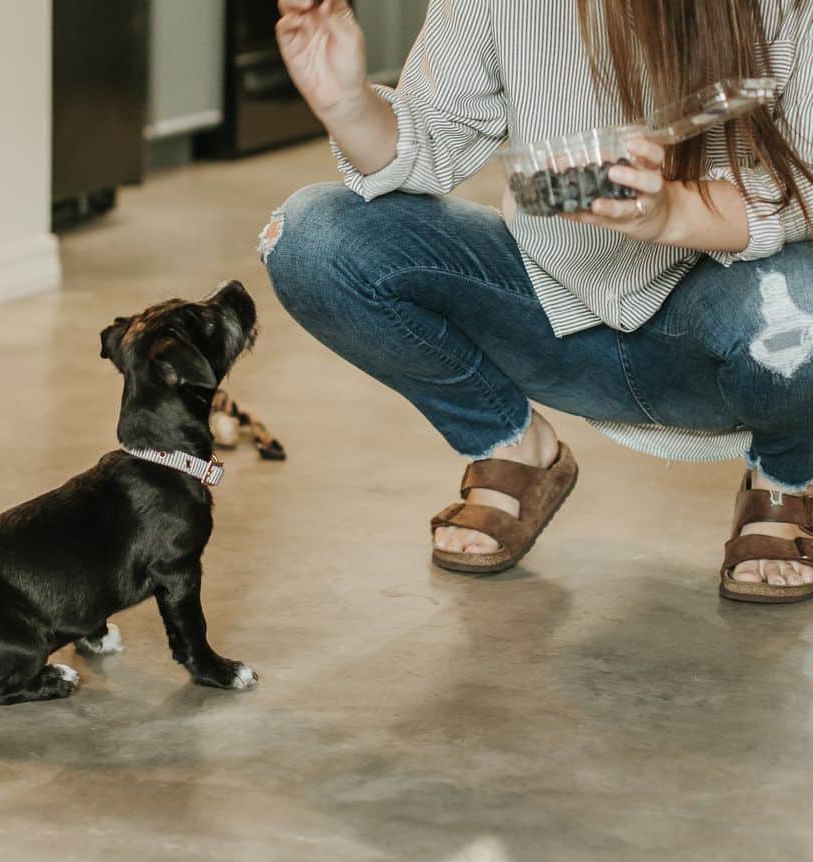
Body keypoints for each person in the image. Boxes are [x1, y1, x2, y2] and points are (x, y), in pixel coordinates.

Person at [266, 0, 813, 602]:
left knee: (804, 295)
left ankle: (785, 477)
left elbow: (805, 184)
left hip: (733, 335)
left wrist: (673, 211)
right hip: (554, 316)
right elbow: (431, 141)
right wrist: (347, 104)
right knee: (311, 237)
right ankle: (511, 444)